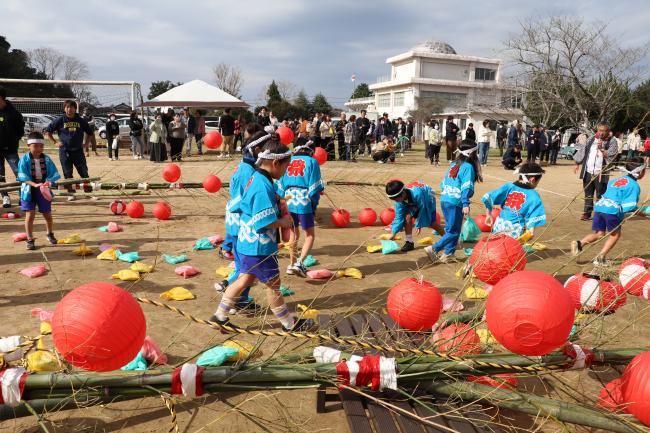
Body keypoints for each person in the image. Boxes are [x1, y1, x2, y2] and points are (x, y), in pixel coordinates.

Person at [210, 138, 314, 332]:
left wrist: (276, 200)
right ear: (275, 163)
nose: (285, 173)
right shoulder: (262, 185)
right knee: (273, 286)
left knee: (244, 279)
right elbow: (261, 220)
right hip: (259, 246)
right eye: (285, 168)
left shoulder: (257, 177)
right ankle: (289, 324)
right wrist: (283, 222)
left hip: (247, 243)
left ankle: (219, 316)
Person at [215, 125, 266, 312]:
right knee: (245, 268)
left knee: (244, 266)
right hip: (240, 222)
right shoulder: (248, 172)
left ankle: (238, 297)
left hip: (236, 221)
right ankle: (232, 297)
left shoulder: (244, 167)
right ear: (258, 150)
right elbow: (247, 200)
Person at [571, 158, 645, 265]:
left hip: (600, 206)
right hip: (611, 210)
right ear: (640, 172)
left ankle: (580, 243)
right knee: (615, 235)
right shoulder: (634, 185)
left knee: (599, 233)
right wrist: (643, 213)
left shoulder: (616, 180)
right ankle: (600, 258)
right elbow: (630, 206)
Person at [429, 140, 482, 262]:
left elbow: (443, 183)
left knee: (450, 228)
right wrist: (465, 203)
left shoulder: (454, 163)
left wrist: (448, 193)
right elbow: (466, 186)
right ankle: (434, 248)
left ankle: (448, 254)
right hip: (455, 202)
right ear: (472, 154)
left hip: (445, 199)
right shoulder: (468, 167)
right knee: (454, 231)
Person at [277, 142, 324, 277]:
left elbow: (280, 184)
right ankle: (300, 263)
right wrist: (313, 205)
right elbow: (315, 187)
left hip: (289, 198)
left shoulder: (288, 160)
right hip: (303, 199)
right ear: (310, 151)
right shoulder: (312, 162)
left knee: (293, 233)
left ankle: (292, 264)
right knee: (309, 234)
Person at [17, 132, 61, 250]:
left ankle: (49, 233)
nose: (38, 149)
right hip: (28, 190)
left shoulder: (46, 159)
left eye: (41, 146)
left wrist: (48, 182)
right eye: (35, 146)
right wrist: (34, 184)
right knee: (30, 215)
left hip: (43, 189)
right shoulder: (24, 159)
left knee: (47, 214)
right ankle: (30, 238)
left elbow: (53, 174)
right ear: (28, 146)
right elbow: (22, 176)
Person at [482, 162, 547, 239]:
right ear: (532, 180)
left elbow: (489, 197)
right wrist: (531, 231)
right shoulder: (533, 195)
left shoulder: (509, 186)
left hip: (499, 226)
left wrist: (488, 214)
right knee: (511, 249)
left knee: (497, 247)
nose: (537, 185)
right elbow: (534, 214)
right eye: (537, 182)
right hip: (515, 231)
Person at [44, 100, 92, 200]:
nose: (69, 109)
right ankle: (71, 193)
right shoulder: (60, 120)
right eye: (67, 107)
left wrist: (86, 144)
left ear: (75, 108)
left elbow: (90, 133)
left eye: (71, 107)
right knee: (67, 173)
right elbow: (48, 131)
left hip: (78, 151)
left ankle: (88, 192)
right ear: (64, 108)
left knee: (84, 172)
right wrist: (55, 142)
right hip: (64, 151)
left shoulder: (81, 120)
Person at [386, 180, 446, 254]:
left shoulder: (418, 194)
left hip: (427, 197)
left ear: (403, 193)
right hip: (413, 199)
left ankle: (447, 239)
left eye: (396, 199)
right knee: (407, 217)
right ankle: (409, 242)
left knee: (432, 223)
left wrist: (419, 224)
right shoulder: (399, 200)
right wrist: (393, 233)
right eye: (393, 199)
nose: (396, 201)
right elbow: (399, 216)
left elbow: (424, 208)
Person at [573, 123, 618, 220]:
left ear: (608, 131)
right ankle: (587, 212)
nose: (602, 133)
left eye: (605, 131)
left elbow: (612, 155)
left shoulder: (612, 141)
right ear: (597, 130)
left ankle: (599, 213)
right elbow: (583, 151)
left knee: (600, 193)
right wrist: (577, 162)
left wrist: (602, 149)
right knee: (588, 193)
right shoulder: (591, 139)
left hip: (601, 172)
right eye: (600, 130)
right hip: (588, 170)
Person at [0, 86, 24, 208]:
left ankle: (22, 196)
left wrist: (14, 140)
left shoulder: (14, 113)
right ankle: (5, 196)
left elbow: (21, 129)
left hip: (11, 149)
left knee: (19, 172)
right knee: (0, 175)